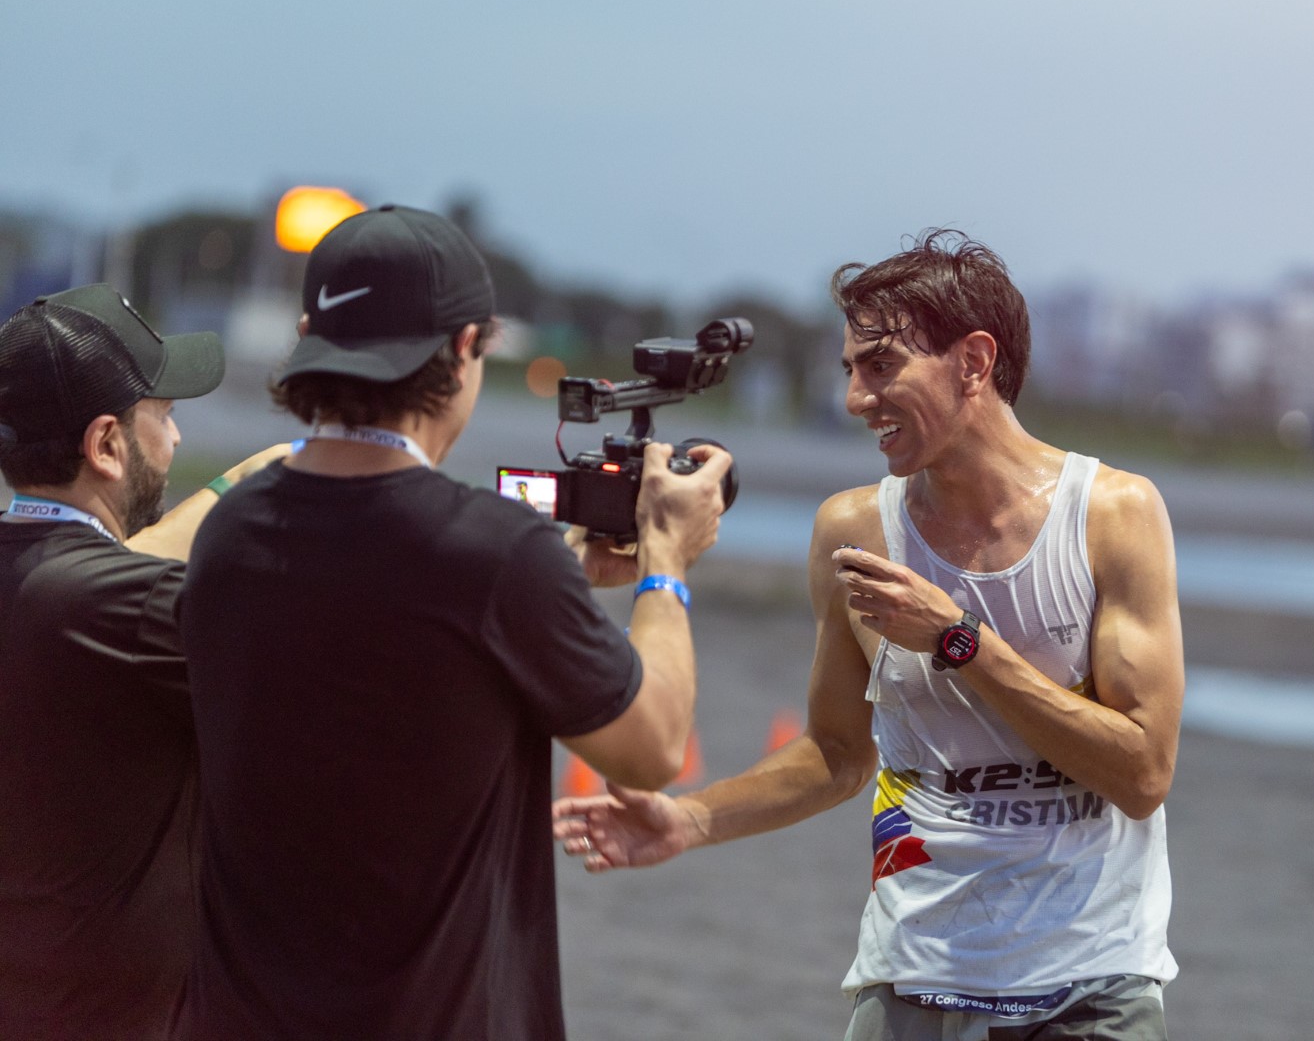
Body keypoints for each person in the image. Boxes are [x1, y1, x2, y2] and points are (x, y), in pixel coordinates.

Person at [554, 230, 1186, 1040]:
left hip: (1092, 982)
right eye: (851, 369)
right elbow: (837, 754)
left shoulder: (1112, 514)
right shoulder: (853, 529)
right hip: (914, 970)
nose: (856, 398)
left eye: (881, 365)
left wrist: (960, 641)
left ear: (973, 361)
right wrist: (692, 820)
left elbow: (1143, 772)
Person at [176, 205, 730, 1040]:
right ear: (467, 346)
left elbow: (381, 628)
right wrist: (667, 562)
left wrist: (554, 587)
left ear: (309, 337)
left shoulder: (229, 532)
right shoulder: (495, 555)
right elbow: (651, 748)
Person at [0, 284, 289, 1040]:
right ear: (106, 445)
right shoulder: (139, 607)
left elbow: (98, 558)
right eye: (164, 415)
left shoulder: (65, 584)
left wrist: (238, 487)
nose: (178, 439)